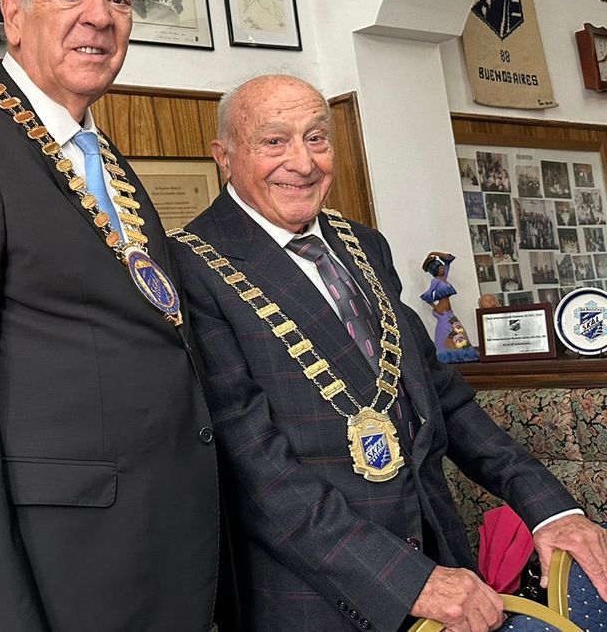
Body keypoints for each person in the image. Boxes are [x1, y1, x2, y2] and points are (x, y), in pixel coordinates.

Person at [169, 74, 607, 632]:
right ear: (224, 156)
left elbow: (443, 400)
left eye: (317, 138)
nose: (302, 163)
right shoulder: (190, 267)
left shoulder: (363, 244)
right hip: (321, 600)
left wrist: (552, 509)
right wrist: (405, 580)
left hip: (443, 564)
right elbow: (256, 472)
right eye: (273, 141)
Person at [0, 0, 220, 631]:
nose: (99, 18)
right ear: (14, 15)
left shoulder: (106, 159)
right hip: (57, 571)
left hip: (165, 553)